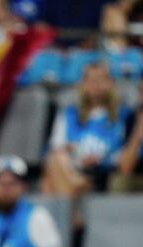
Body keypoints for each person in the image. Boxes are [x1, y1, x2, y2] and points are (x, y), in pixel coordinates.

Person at [42, 63, 128, 198]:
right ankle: (77, 188)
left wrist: (102, 159)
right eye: (91, 80)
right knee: (54, 160)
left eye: (102, 79)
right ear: (83, 84)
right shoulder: (69, 113)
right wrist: (76, 155)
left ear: (111, 83)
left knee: (50, 180)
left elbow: (125, 151)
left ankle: (72, 204)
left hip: (105, 171)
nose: (97, 85)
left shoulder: (123, 114)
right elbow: (56, 146)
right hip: (73, 168)